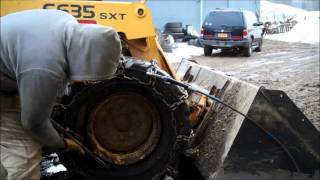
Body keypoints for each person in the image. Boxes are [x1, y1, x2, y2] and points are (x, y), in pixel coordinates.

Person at [0, 9, 121, 180]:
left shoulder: (67, 24)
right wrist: (63, 144)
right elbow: (33, 123)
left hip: (7, 79)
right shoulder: (45, 66)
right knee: (22, 150)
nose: (85, 82)